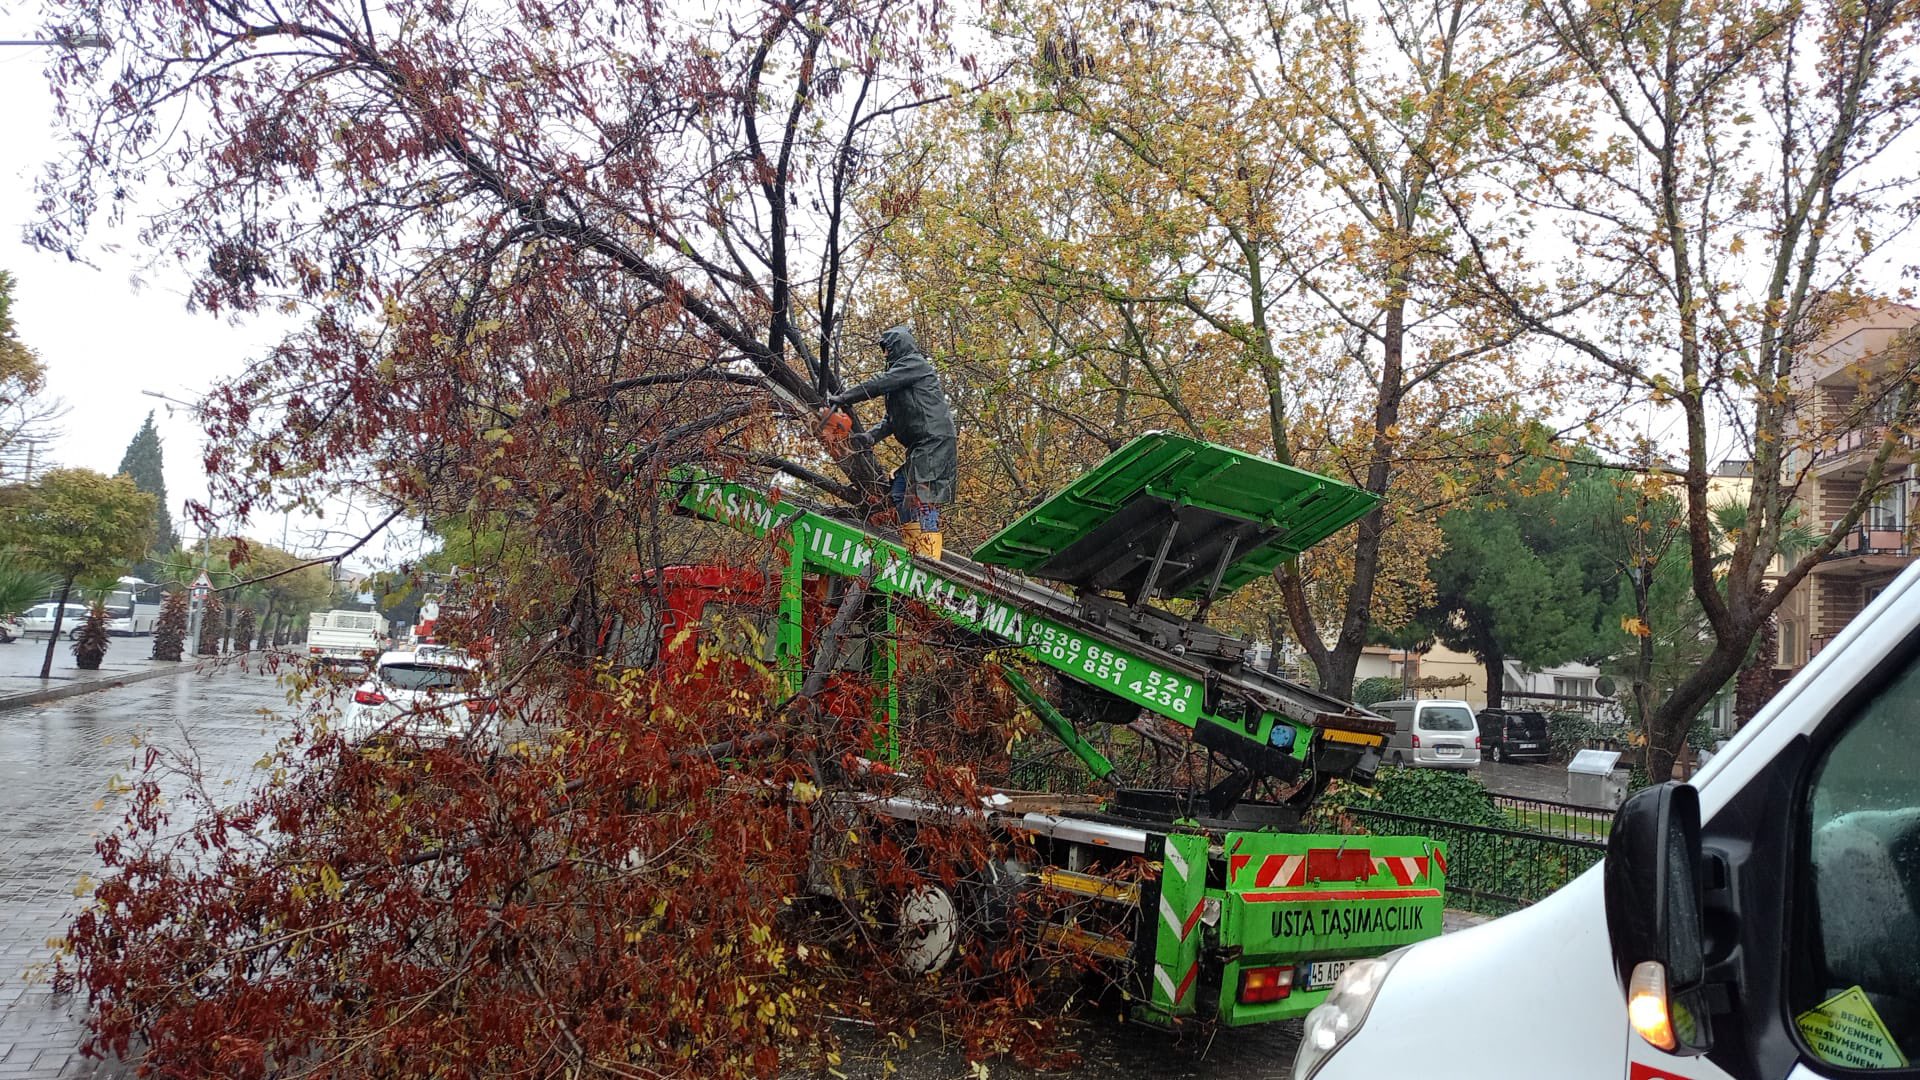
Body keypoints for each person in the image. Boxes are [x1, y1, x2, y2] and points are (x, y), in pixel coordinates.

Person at [824, 325, 957, 560]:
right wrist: (871, 436)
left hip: (934, 442)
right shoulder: (901, 378)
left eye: (887, 349)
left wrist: (844, 398)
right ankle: (914, 548)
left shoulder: (915, 364)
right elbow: (892, 420)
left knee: (923, 498)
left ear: (898, 347)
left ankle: (929, 555)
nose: (885, 354)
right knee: (899, 492)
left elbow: (879, 384)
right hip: (920, 446)